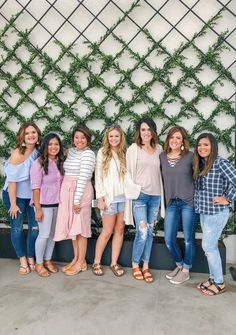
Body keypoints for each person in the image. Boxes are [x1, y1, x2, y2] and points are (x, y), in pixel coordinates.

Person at [194, 133, 236, 296]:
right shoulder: (202, 164)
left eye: (206, 145)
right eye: (199, 145)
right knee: (209, 247)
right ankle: (212, 279)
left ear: (213, 146)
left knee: (209, 247)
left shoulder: (220, 163)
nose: (202, 148)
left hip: (217, 213)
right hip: (205, 211)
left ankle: (219, 282)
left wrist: (227, 198)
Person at [126, 117, 165, 283]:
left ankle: (146, 266)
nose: (146, 133)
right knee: (142, 232)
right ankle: (135, 264)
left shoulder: (159, 149)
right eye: (143, 129)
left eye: (149, 129)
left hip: (155, 197)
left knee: (149, 232)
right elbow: (126, 173)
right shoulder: (133, 149)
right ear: (139, 132)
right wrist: (135, 189)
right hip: (140, 197)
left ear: (153, 132)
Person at [54, 125, 95, 276]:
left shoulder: (89, 154)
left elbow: (84, 178)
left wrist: (77, 200)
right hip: (68, 192)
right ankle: (76, 258)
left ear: (88, 139)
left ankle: (81, 262)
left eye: (83, 138)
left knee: (80, 229)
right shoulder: (71, 152)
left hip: (80, 192)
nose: (80, 140)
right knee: (73, 229)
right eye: (77, 137)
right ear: (73, 139)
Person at [2, 121, 41, 275]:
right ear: (22, 137)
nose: (31, 135)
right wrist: (12, 204)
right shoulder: (17, 154)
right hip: (15, 197)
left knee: (35, 229)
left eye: (33, 132)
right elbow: (12, 183)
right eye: (27, 133)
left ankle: (31, 256)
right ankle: (23, 260)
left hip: (32, 198)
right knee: (17, 229)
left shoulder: (38, 151)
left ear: (37, 135)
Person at [160, 126, 196, 284]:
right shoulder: (162, 156)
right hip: (171, 203)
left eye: (178, 138)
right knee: (168, 239)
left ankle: (186, 270)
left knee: (188, 239)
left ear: (183, 141)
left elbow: (199, 177)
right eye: (172, 137)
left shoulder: (191, 156)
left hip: (188, 202)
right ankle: (180, 265)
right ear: (168, 139)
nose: (175, 140)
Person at [92, 125, 128, 277]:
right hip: (109, 199)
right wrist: (100, 198)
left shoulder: (125, 153)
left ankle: (114, 263)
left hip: (124, 199)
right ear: (107, 137)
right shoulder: (102, 152)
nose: (113, 139)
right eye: (111, 136)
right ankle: (96, 261)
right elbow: (98, 177)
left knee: (119, 231)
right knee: (107, 231)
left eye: (116, 136)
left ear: (121, 138)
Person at [30, 133, 64, 277]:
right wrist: (38, 209)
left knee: (52, 235)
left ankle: (48, 260)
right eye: (50, 144)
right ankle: (39, 263)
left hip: (58, 204)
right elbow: (35, 188)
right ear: (45, 146)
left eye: (56, 144)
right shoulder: (38, 163)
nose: (53, 147)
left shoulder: (60, 162)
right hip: (43, 205)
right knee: (43, 235)